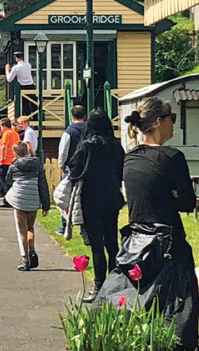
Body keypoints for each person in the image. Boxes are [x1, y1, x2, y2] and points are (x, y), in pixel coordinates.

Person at [105, 97, 197, 350]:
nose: (173, 124)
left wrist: (163, 196)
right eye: (172, 118)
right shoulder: (172, 157)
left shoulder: (131, 158)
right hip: (168, 245)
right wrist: (171, 196)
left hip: (136, 245)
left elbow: (142, 198)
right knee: (178, 316)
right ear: (158, 122)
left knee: (141, 312)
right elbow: (188, 202)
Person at [66, 108, 124, 303]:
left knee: (97, 246)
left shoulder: (86, 146)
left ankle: (99, 287)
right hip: (112, 198)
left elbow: (74, 170)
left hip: (91, 200)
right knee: (112, 243)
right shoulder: (115, 145)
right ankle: (114, 285)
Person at [5, 142, 50, 271]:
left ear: (16, 153)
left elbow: (8, 181)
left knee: (21, 231)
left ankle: (25, 259)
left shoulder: (14, 167)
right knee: (30, 228)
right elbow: (43, 185)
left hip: (19, 200)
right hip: (33, 199)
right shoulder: (37, 166)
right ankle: (33, 250)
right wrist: (45, 206)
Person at [55, 105, 87, 234]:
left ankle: (64, 225)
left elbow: (63, 151)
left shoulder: (69, 131)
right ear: (85, 116)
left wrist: (62, 165)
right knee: (84, 198)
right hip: (86, 167)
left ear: (72, 116)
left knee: (65, 197)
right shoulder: (89, 130)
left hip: (71, 168)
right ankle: (83, 226)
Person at [0, 118, 20, 207]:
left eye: (1, 126)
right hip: (13, 161)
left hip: (4, 161)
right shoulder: (15, 134)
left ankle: (7, 200)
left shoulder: (6, 134)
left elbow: (4, 146)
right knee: (9, 181)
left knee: (2, 180)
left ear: (4, 126)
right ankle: (10, 198)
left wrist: (2, 157)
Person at [5, 50, 36, 118]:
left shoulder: (16, 68)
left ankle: (27, 119)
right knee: (34, 103)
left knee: (26, 105)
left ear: (16, 58)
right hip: (31, 86)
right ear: (22, 57)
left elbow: (9, 79)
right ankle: (35, 119)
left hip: (23, 87)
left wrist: (7, 70)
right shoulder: (28, 65)